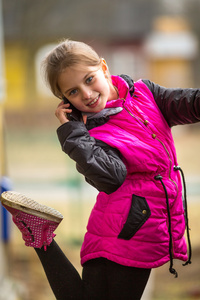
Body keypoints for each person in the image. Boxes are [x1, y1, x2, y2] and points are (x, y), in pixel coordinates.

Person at [1, 38, 199, 300]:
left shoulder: (146, 94)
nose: (85, 93)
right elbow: (111, 177)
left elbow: (189, 103)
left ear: (104, 68)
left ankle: (41, 236)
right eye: (72, 92)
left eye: (89, 79)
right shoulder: (90, 131)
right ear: (65, 100)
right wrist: (72, 132)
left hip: (121, 225)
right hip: (132, 233)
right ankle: (41, 237)